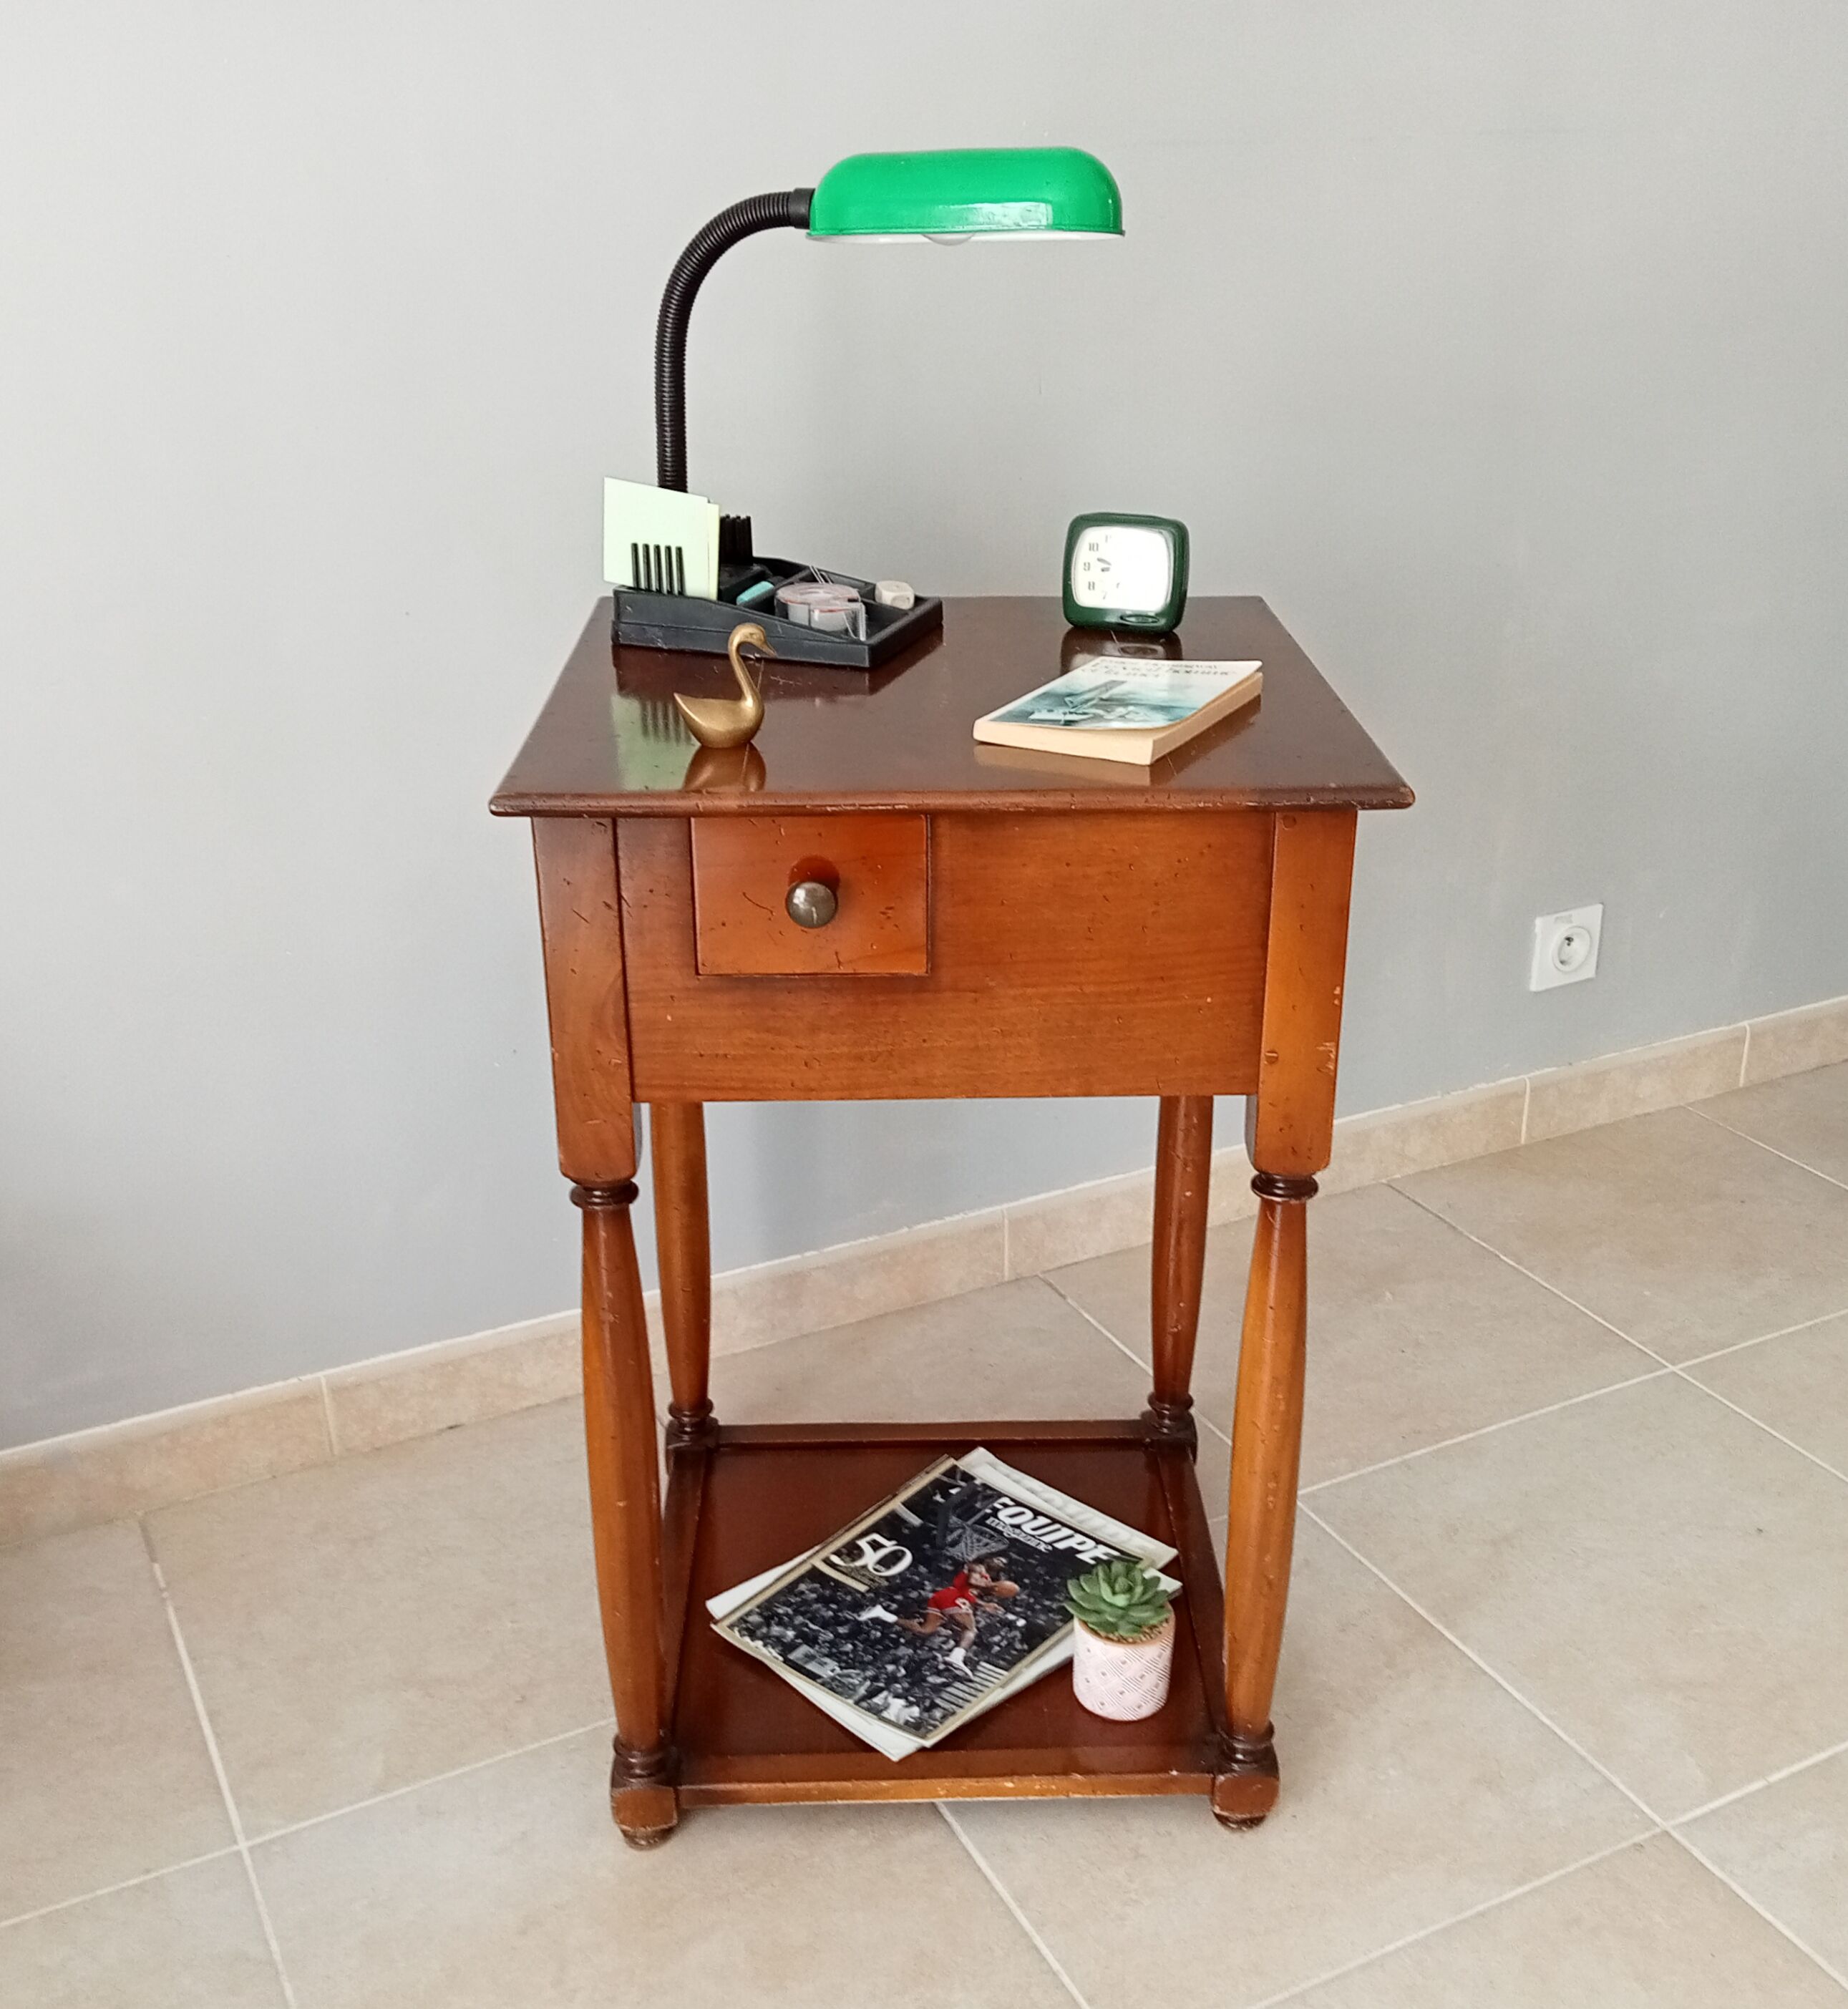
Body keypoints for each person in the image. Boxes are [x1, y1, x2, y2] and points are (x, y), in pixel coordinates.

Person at [857, 1554, 1019, 1671]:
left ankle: (882, 1613)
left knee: (925, 1630)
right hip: (951, 1595)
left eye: (1002, 1563)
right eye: (997, 1559)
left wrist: (985, 1605)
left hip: (947, 1598)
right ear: (988, 1559)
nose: (999, 1562)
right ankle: (956, 1657)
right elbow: (971, 1582)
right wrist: (993, 1588)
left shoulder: (989, 1581)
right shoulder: (978, 1568)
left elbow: (970, 1595)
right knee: (970, 1630)